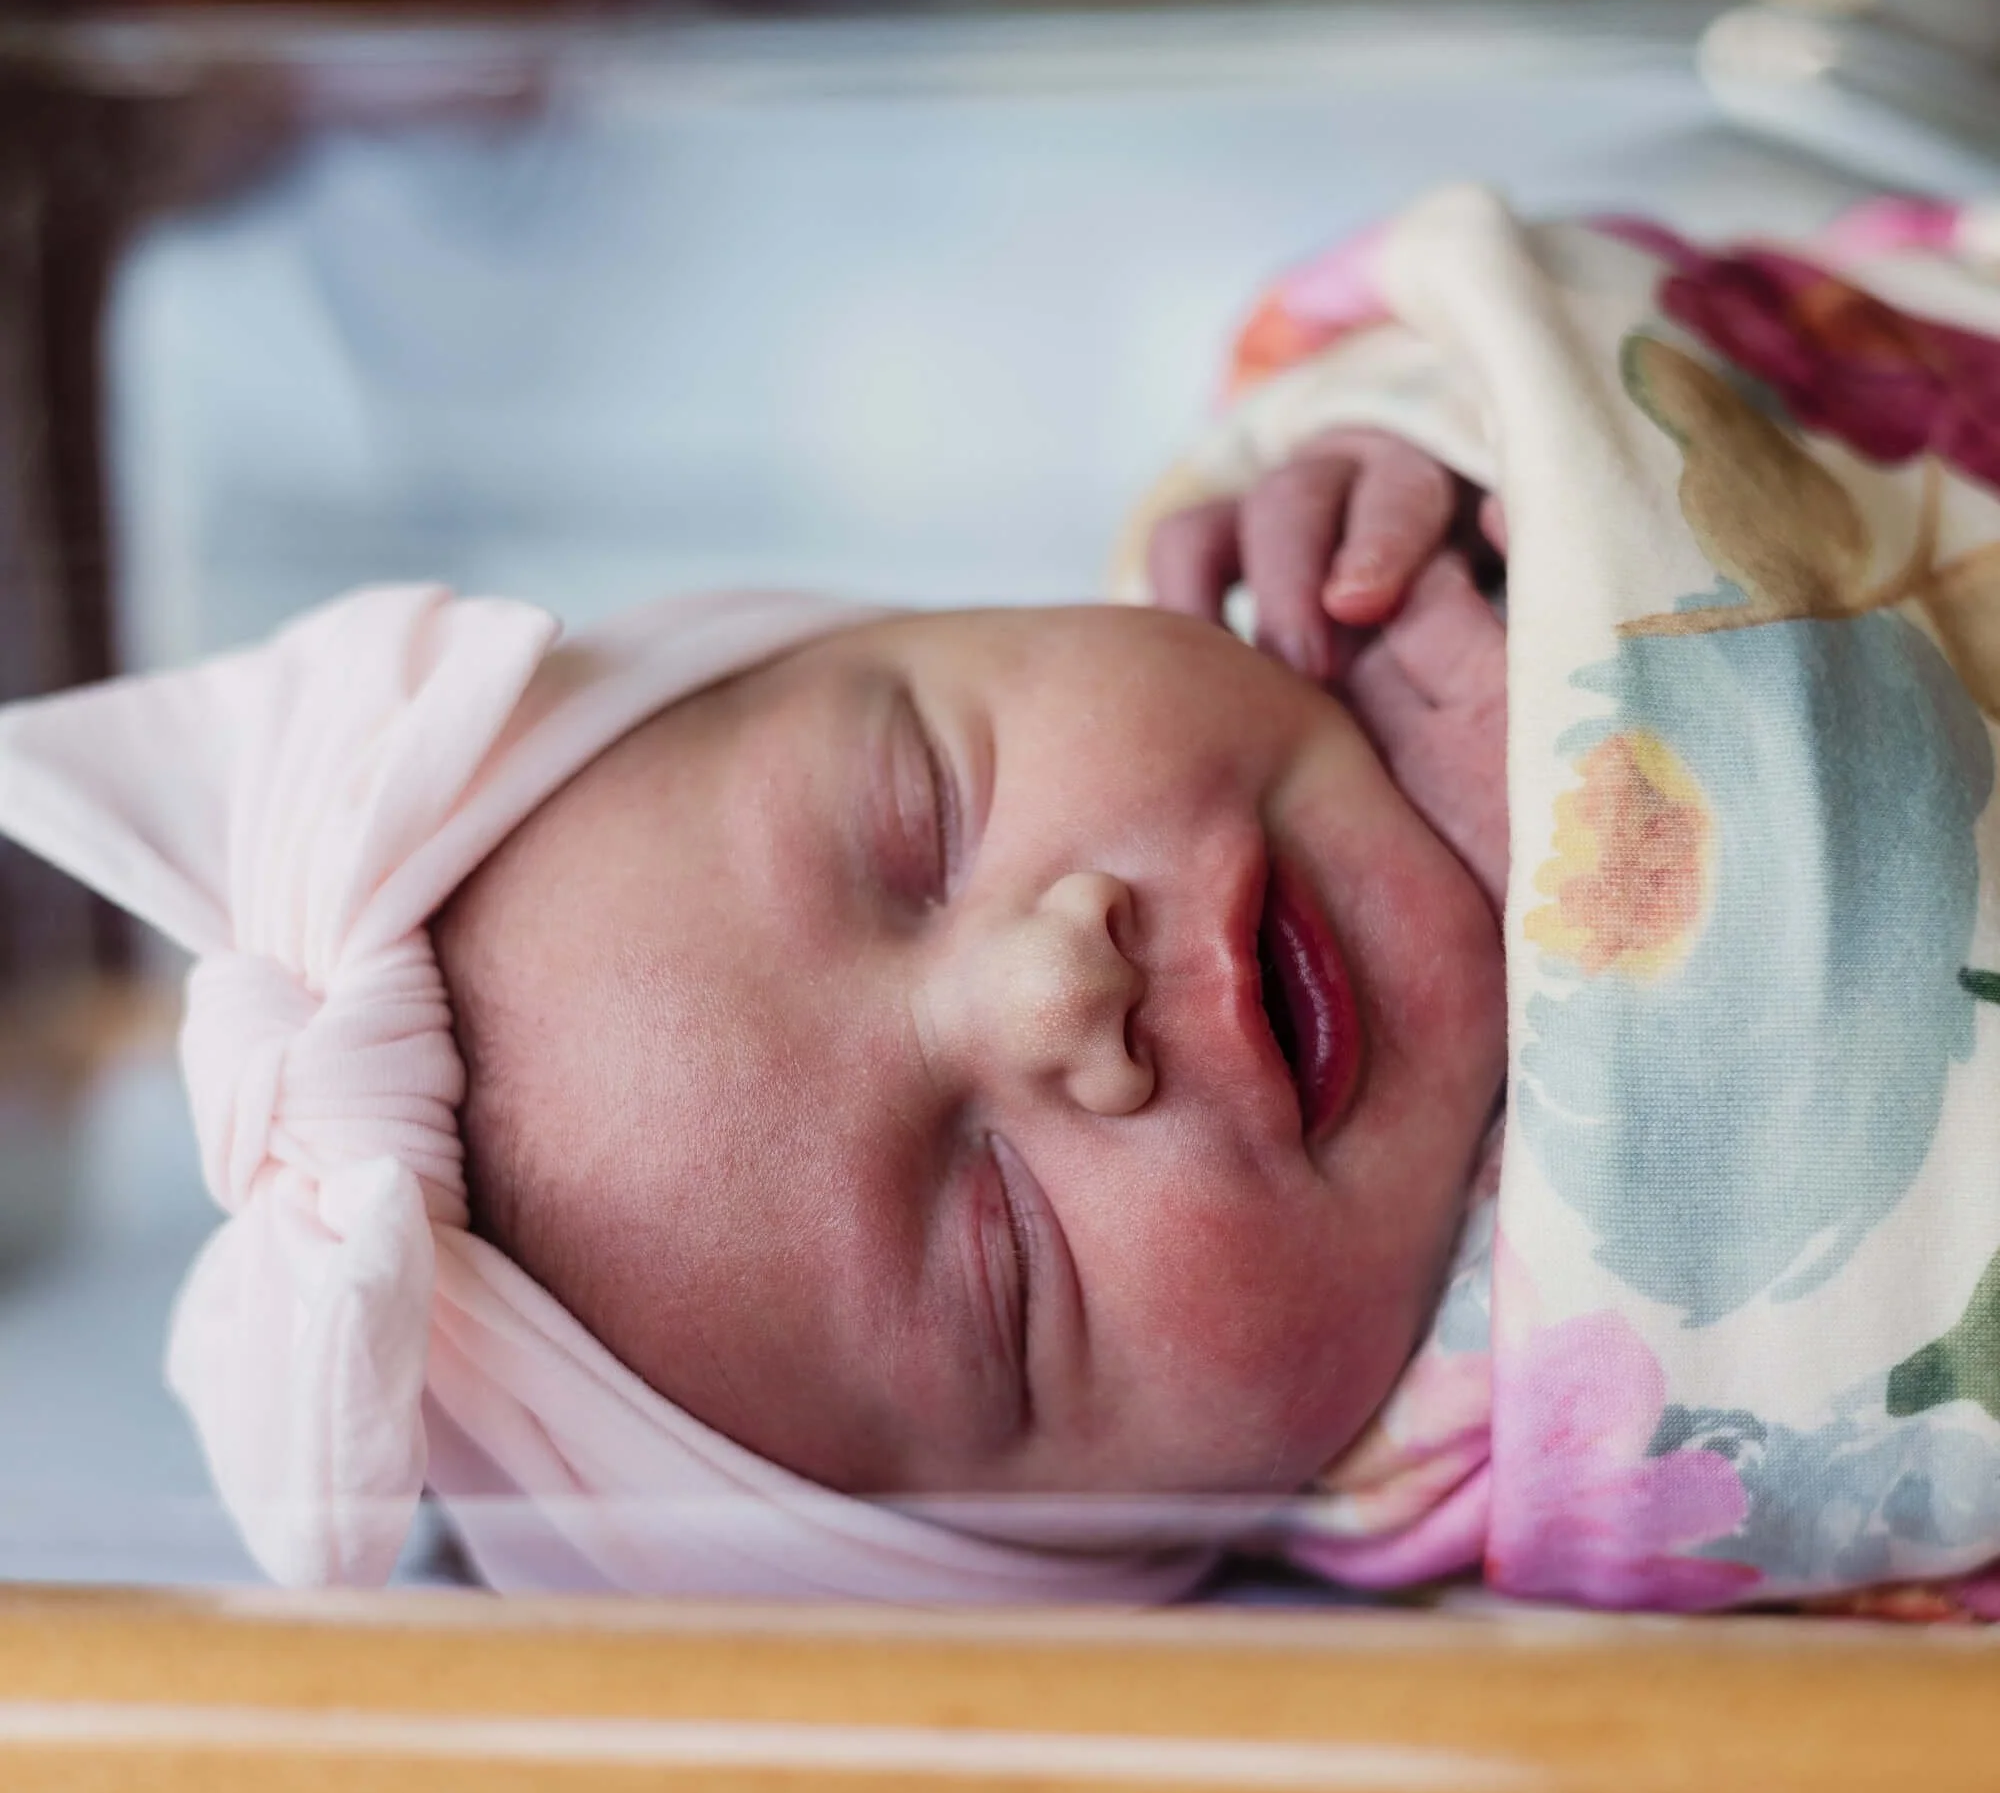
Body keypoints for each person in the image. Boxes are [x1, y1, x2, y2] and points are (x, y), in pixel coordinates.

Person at [3, 181, 1999, 1616]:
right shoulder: (1529, 1480)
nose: (1058, 989)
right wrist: (1653, 816)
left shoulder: (1322, 489)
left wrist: (1458, 442)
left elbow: (1697, 285)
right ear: (1122, 1531)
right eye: (999, 1258)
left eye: (923, 811)